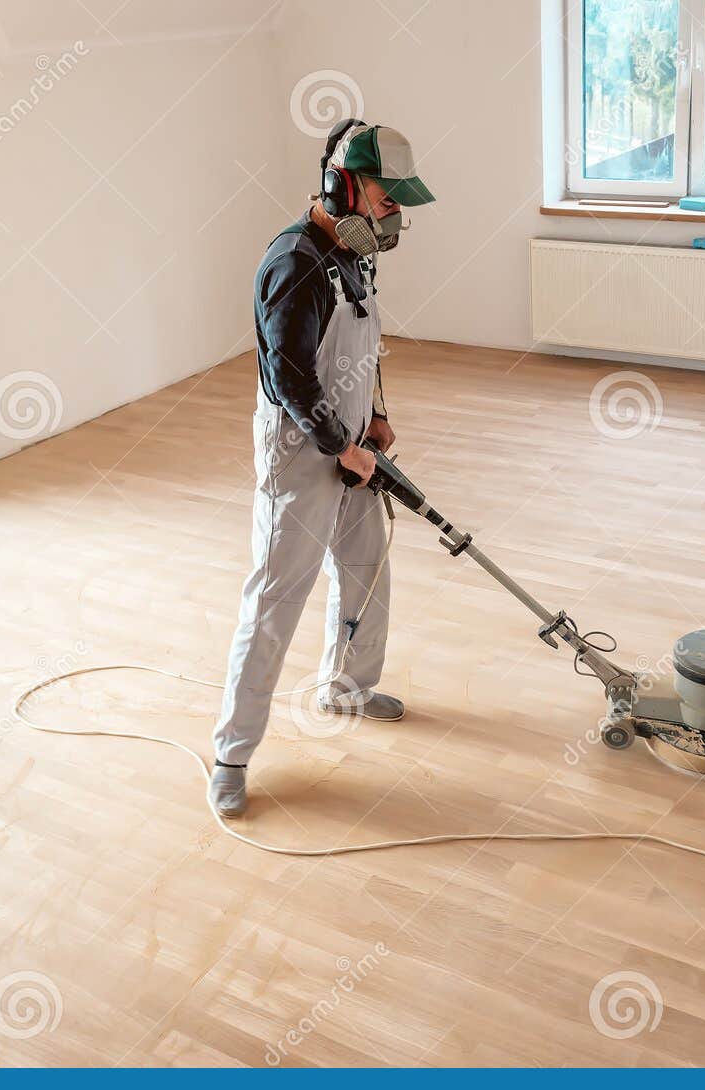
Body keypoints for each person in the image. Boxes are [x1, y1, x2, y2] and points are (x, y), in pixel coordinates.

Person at [210, 120, 436, 819]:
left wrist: (375, 413)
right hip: (299, 453)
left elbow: (360, 348)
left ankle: (347, 687)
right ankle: (231, 753)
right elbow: (291, 377)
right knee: (277, 600)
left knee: (366, 567)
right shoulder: (295, 263)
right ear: (344, 185)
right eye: (385, 195)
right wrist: (342, 446)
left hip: (348, 441)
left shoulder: (354, 255)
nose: (394, 211)